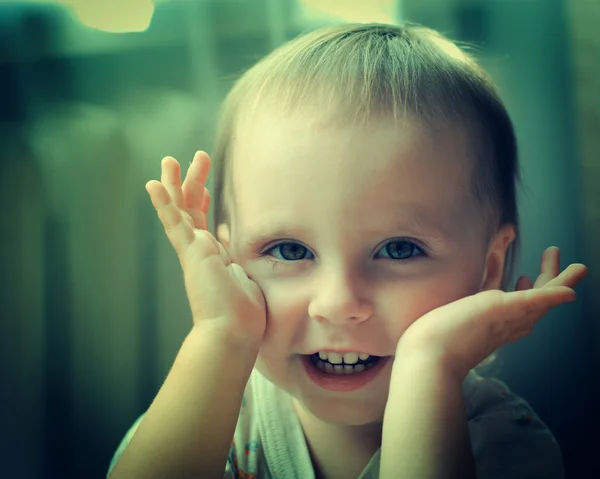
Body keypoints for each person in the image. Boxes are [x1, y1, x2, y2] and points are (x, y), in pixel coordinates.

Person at [106, 23, 588, 479]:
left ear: (489, 269)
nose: (338, 303)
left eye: (399, 249)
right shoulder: (215, 416)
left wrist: (428, 363)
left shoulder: (501, 443)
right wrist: (221, 334)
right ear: (230, 261)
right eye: (290, 250)